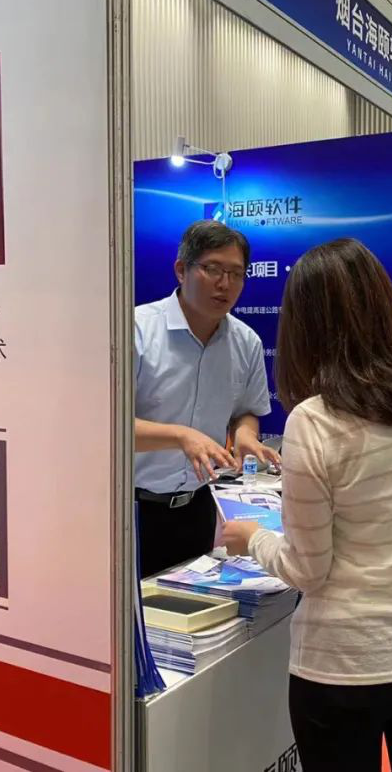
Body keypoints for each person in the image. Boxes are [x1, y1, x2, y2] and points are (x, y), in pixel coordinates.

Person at [220, 239, 392, 772]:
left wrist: (254, 539)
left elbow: (307, 570)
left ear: (304, 326)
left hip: (344, 665)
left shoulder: (315, 421)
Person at [133, 220, 278, 579]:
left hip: (197, 508)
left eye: (236, 274)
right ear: (181, 270)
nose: (225, 284)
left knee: (190, 608)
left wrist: (245, 435)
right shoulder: (135, 330)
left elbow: (246, 410)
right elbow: (103, 426)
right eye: (213, 269)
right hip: (129, 509)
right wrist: (180, 436)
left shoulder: (246, 342)